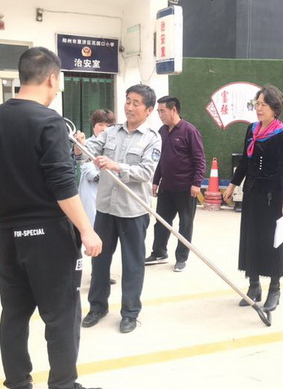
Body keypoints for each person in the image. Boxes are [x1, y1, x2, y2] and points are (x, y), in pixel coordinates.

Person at [0, 47, 104, 389]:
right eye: (59, 81)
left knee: (14, 314)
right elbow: (62, 184)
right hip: (49, 236)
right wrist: (87, 229)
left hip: (8, 234)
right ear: (52, 78)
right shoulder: (48, 121)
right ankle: (64, 386)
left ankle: (18, 385)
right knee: (61, 315)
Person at [75, 84, 161, 334]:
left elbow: (146, 172)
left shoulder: (152, 138)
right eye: (128, 101)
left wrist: (116, 166)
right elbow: (87, 153)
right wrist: (79, 145)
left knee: (133, 264)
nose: (129, 107)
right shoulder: (111, 132)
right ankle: (97, 307)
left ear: (148, 110)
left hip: (133, 211)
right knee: (100, 261)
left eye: (136, 103)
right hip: (106, 209)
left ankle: (130, 313)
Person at [223, 85, 283, 312]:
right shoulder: (252, 129)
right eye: (257, 104)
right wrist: (233, 185)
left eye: (264, 104)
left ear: (275, 108)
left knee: (273, 241)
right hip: (252, 194)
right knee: (251, 238)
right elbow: (245, 162)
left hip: (273, 197)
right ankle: (254, 286)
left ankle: (275, 289)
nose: (259, 108)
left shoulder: (282, 135)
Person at [144, 96, 206, 272]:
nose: (160, 115)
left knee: (185, 224)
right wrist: (155, 181)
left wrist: (196, 183)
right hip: (166, 187)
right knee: (161, 222)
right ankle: (159, 253)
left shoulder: (189, 131)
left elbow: (200, 160)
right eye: (158, 111)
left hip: (186, 188)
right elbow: (158, 158)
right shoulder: (161, 132)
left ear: (174, 110)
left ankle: (181, 258)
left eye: (162, 111)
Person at [78, 109, 117, 286]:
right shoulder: (87, 144)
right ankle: (94, 274)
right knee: (92, 233)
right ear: (94, 126)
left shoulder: (114, 145)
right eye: (100, 124)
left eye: (108, 125)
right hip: (91, 194)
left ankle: (99, 273)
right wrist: (107, 175)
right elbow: (87, 169)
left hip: (109, 196)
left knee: (104, 237)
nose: (104, 128)